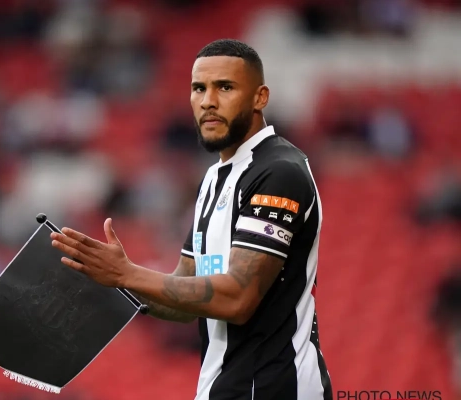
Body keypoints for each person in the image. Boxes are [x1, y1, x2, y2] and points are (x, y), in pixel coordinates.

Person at [51, 39, 332, 400]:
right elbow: (182, 300)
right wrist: (103, 277)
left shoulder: (279, 172)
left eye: (225, 87)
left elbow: (238, 298)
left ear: (260, 97)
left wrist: (126, 274)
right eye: (199, 88)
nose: (208, 101)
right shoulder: (214, 178)